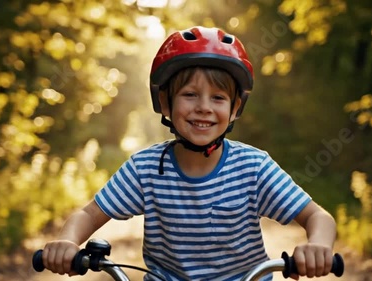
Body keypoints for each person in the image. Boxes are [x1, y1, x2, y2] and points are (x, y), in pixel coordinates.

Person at [40, 26, 337, 281]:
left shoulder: (253, 168)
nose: (204, 107)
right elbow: (88, 214)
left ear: (235, 109)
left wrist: (318, 247)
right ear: (166, 104)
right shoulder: (144, 169)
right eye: (190, 94)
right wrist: (67, 241)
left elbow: (318, 217)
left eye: (218, 97)